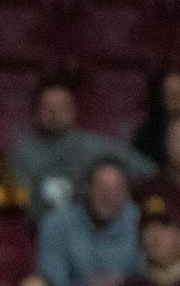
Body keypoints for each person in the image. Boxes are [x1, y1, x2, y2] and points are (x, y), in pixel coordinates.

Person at [11, 78, 150, 211]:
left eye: (61, 107)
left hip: (88, 228)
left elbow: (147, 172)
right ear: (37, 113)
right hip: (37, 225)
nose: (54, 113)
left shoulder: (95, 145)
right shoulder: (23, 150)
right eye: (47, 108)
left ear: (73, 111)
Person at [39, 158, 144, 286]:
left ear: (128, 195)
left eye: (117, 188)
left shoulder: (142, 223)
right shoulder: (56, 225)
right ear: (86, 190)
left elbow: (152, 281)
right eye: (100, 187)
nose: (108, 196)